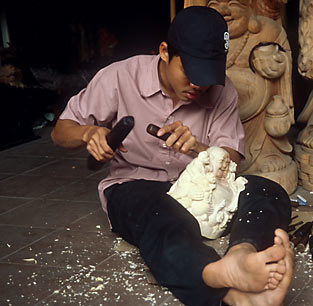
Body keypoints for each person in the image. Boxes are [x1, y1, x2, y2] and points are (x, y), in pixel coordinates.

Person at [51, 6, 293, 306]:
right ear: (164, 52)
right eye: (190, 72)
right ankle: (226, 286)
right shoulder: (119, 77)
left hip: (201, 191)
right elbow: (60, 131)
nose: (199, 85)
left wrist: (199, 150)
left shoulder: (222, 91)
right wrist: (88, 133)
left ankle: (241, 255)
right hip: (135, 186)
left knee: (266, 190)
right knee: (161, 216)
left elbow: (232, 164)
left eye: (207, 75)